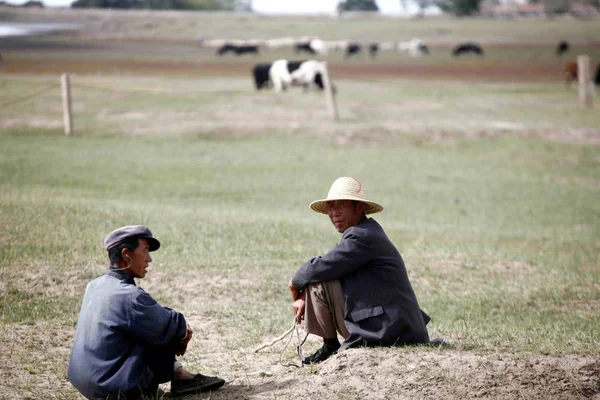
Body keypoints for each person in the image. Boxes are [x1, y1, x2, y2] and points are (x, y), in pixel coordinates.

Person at [68, 225, 225, 399]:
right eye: (145, 250)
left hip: (85, 383)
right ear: (126, 254)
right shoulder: (131, 297)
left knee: (153, 323)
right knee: (163, 328)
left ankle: (179, 373)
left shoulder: (94, 285)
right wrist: (181, 332)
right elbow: (174, 325)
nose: (149, 259)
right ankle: (180, 376)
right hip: (115, 390)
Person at [289, 177, 431, 364]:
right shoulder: (363, 232)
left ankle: (330, 347)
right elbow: (329, 268)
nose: (334, 212)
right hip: (395, 325)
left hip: (393, 329)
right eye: (331, 206)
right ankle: (330, 347)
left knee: (319, 282)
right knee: (319, 280)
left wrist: (294, 285)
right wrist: (303, 293)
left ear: (359, 208)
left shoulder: (361, 236)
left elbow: (321, 267)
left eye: (342, 205)